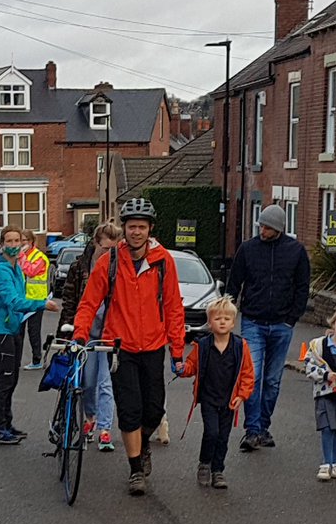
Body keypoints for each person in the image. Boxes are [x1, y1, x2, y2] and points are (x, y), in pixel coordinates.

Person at [72, 198, 185, 496]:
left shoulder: (163, 261)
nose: (136, 232)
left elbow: (174, 307)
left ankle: (143, 443)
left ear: (150, 229)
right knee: (130, 408)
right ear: (124, 228)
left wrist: (177, 349)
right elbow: (88, 304)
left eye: (141, 227)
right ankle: (136, 469)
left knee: (154, 410)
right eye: (131, 226)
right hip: (120, 347)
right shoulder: (108, 262)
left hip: (153, 346)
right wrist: (81, 335)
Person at [227, 203, 311, 452]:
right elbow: (234, 282)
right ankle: (252, 430)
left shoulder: (295, 251)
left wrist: (292, 318)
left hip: (282, 325)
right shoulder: (248, 249)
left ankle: (263, 427)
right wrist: (228, 311)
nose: (262, 230)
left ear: (279, 228)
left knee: (273, 381)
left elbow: (302, 287)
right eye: (261, 226)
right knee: (253, 377)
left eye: (267, 227)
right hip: (253, 321)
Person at [0, 225, 59, 444]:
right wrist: (43, 304)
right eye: (10, 241)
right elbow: (13, 301)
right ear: (2, 243)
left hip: (10, 329)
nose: (15, 245)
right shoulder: (2, 270)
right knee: (4, 380)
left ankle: (6, 424)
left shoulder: (15, 268)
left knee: (11, 379)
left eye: (19, 241)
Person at [178, 296, 255, 490]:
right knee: (211, 432)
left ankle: (218, 470)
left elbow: (247, 373)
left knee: (223, 436)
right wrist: (181, 368)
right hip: (209, 398)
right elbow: (191, 366)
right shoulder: (202, 346)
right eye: (218, 318)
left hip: (229, 400)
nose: (222, 322)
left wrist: (242, 395)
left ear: (233, 322)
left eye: (226, 319)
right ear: (210, 322)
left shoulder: (240, 346)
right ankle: (205, 463)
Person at [60, 222, 121, 451]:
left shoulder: (119, 267)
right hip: (86, 333)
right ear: (96, 243)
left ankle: (105, 430)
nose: (110, 254)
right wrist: (67, 329)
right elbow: (69, 299)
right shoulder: (80, 267)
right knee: (87, 382)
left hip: (108, 334)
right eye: (106, 249)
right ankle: (90, 418)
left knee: (106, 383)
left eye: (114, 250)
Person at [304, 306, 336, 481]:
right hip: (324, 393)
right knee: (326, 427)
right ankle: (325, 463)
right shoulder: (318, 345)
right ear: (333, 323)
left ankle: (335, 463)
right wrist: (325, 375)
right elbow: (308, 365)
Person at [19, 229, 51, 370]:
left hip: (36, 299)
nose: (21, 243)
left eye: (24, 240)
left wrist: (22, 257)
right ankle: (15, 360)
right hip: (22, 300)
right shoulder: (21, 256)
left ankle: (37, 359)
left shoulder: (39, 257)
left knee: (33, 331)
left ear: (31, 242)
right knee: (17, 331)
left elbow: (30, 271)